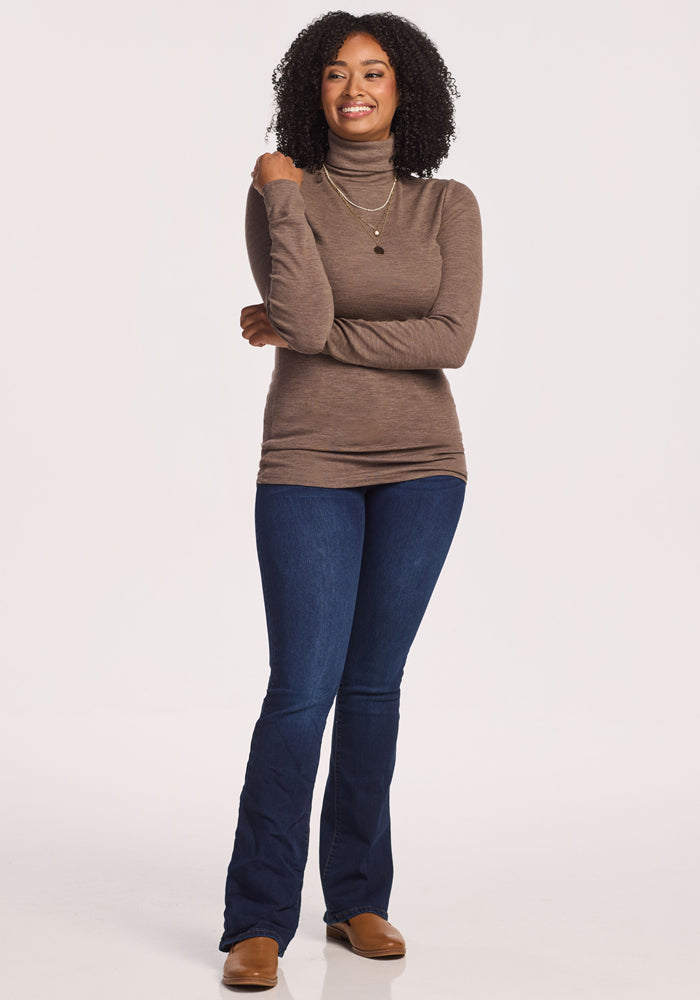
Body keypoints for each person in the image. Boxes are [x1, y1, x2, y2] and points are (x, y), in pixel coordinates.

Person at [220, 11, 483, 988]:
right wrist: (281, 204)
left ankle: (358, 898)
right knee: (301, 691)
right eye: (335, 73)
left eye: (374, 71)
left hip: (424, 465)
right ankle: (255, 918)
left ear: (406, 89)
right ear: (312, 93)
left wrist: (304, 331)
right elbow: (303, 311)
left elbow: (448, 340)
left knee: (373, 689)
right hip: (306, 460)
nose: (355, 87)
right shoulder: (279, 192)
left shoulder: (448, 204)